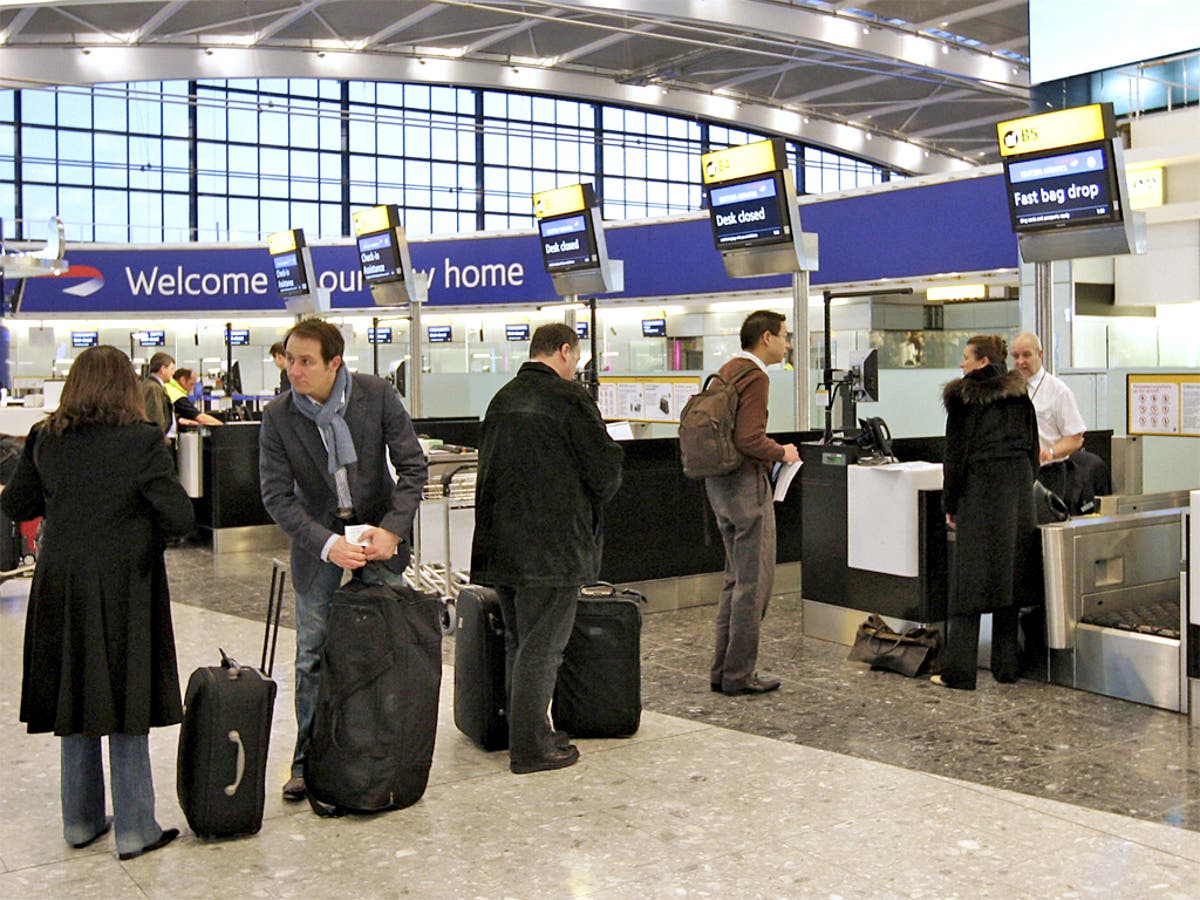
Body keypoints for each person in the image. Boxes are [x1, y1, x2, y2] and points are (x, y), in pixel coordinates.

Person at [1, 345, 194, 860]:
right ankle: (135, 828)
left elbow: (14, 503)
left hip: (60, 581)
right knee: (125, 693)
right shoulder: (142, 441)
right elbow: (178, 517)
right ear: (127, 387)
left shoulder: (45, 437)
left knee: (75, 690)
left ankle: (81, 820)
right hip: (124, 582)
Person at [258, 318, 427, 802]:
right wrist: (327, 544)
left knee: (389, 650)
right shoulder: (279, 416)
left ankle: (385, 754)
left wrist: (393, 530)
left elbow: (412, 465)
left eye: (306, 361)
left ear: (335, 363)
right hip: (320, 551)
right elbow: (276, 497)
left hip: (378, 543)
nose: (294, 370)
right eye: (290, 359)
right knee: (312, 656)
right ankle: (306, 762)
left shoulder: (376, 396)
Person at [470, 323, 623, 774]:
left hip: (502, 545)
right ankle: (532, 748)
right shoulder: (568, 398)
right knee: (543, 647)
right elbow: (604, 473)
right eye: (574, 358)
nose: (575, 367)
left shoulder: (502, 398)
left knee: (521, 642)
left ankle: (528, 732)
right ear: (562, 352)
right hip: (552, 547)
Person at [936, 335, 1040, 691]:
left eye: (966, 357)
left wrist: (951, 503)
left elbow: (956, 457)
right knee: (1009, 575)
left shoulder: (964, 398)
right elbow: (1033, 447)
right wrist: (1022, 486)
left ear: (981, 362)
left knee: (969, 581)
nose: (961, 364)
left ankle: (959, 672)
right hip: (1017, 491)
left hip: (980, 492)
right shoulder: (1020, 393)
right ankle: (1006, 666)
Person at [706, 310, 799, 696]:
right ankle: (740, 675)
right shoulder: (756, 376)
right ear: (765, 338)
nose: (787, 343)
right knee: (753, 584)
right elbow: (749, 439)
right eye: (784, 336)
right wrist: (782, 451)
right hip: (746, 486)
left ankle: (723, 670)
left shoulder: (727, 370)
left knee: (734, 580)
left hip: (719, 485)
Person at [140, 352, 176, 435]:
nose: (173, 373)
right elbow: (155, 416)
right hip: (157, 439)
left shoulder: (154, 386)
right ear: (163, 369)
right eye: (171, 369)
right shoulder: (153, 388)